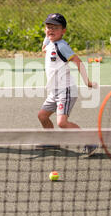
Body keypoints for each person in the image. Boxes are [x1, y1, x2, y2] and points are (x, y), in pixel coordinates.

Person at [38, 13, 98, 153]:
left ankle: (90, 141)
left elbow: (78, 61)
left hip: (66, 90)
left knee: (62, 122)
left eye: (55, 28)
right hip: (54, 91)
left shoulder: (62, 46)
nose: (51, 30)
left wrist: (87, 82)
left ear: (63, 31)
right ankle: (53, 142)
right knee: (42, 116)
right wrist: (47, 36)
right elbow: (44, 47)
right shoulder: (49, 42)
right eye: (48, 27)